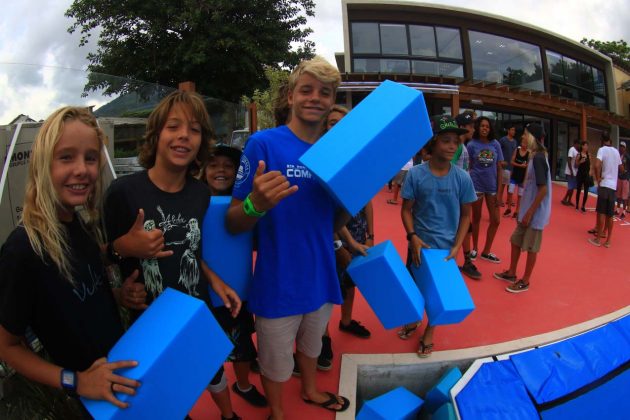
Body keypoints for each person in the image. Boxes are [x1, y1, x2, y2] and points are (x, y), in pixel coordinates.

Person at [103, 91, 243, 420]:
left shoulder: (200, 194)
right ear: (156, 135)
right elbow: (102, 258)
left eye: (194, 129)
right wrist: (121, 284)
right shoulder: (123, 193)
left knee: (211, 367)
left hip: (195, 309)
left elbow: (190, 250)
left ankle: (228, 415)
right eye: (173, 126)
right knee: (164, 393)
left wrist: (215, 279)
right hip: (148, 321)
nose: (184, 135)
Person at [226, 57, 350, 419]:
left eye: (325, 92)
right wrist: (255, 203)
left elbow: (331, 222)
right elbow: (234, 222)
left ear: (332, 100)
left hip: (322, 274)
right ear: (291, 96)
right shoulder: (262, 144)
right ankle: (278, 412)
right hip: (277, 279)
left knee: (312, 345)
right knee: (276, 357)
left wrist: (353, 196)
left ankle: (310, 390)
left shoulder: (334, 154)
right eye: (306, 89)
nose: (315, 98)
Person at [0, 107, 140, 412]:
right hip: (90, 401)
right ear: (42, 164)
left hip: (122, 378)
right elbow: (7, 346)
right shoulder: (23, 248)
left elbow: (77, 296)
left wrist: (118, 295)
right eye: (66, 157)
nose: (82, 169)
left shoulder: (77, 224)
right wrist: (75, 381)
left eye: (90, 158)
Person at [400, 115, 476, 356]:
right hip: (419, 245)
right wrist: (412, 236)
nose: (452, 146)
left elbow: (466, 216)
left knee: (438, 293)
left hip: (446, 250)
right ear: (433, 143)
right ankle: (414, 319)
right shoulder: (416, 174)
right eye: (446, 141)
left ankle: (429, 332)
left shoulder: (462, 178)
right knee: (413, 285)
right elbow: (406, 210)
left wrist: (458, 245)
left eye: (455, 141)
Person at [199, 145, 268, 408]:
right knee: (208, 353)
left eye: (229, 166)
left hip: (238, 291)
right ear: (203, 170)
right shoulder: (193, 201)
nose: (221, 171)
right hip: (203, 291)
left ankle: (243, 384)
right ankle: (224, 406)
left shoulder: (245, 202)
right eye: (213, 164)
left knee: (243, 345)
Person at [494, 123, 551, 293]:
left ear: (532, 137)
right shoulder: (534, 157)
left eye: (525, 134)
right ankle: (512, 272)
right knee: (515, 240)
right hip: (527, 211)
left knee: (532, 247)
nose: (522, 137)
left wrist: (530, 212)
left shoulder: (540, 158)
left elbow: (543, 189)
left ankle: (525, 280)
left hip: (534, 213)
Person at [467, 116, 504, 263]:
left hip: (492, 188)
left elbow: (500, 169)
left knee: (496, 220)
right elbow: (468, 166)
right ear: (478, 127)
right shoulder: (471, 145)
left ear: (490, 129)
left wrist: (500, 192)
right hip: (477, 186)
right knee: (476, 218)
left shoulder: (495, 144)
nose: (485, 128)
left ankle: (486, 251)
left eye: (487, 126)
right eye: (482, 126)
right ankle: (474, 248)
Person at [454, 112, 481, 280]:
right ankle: (456, 262)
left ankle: (466, 260)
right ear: (462, 127)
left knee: (466, 228)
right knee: (458, 229)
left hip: (461, 194)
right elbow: (450, 170)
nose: (473, 129)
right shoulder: (457, 146)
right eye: (470, 126)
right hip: (455, 196)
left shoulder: (463, 146)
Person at [587, 132, 623, 248]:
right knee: (610, 214)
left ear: (602, 140)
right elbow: (621, 168)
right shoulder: (616, 152)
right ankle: (608, 241)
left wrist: (598, 178)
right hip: (613, 187)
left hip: (604, 184)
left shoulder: (602, 150)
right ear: (610, 140)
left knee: (601, 212)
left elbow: (597, 165)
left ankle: (598, 239)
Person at [505, 134, 529, 219]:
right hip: (514, 175)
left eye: (526, 143)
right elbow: (511, 161)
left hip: (522, 177)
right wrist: (520, 165)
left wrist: (525, 179)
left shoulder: (528, 153)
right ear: (521, 143)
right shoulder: (517, 150)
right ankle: (508, 209)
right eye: (523, 142)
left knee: (520, 195)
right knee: (510, 191)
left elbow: (527, 167)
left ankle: (517, 211)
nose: (524, 144)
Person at [498, 124, 518, 207]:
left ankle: (509, 200)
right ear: (508, 130)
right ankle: (499, 200)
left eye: (514, 130)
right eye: (512, 130)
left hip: (512, 166)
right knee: (502, 184)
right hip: (504, 166)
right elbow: (498, 151)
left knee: (510, 185)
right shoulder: (503, 140)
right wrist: (501, 161)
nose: (513, 132)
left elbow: (515, 153)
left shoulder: (515, 142)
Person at [574, 141, 591, 213]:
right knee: (578, 190)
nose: (586, 147)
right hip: (580, 174)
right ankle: (577, 205)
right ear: (582, 146)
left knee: (586, 191)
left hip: (586, 174)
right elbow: (575, 165)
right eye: (585, 146)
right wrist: (580, 161)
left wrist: (590, 173)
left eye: (587, 146)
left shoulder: (589, 155)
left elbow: (590, 165)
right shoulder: (579, 155)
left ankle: (583, 206)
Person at [561, 139, 579, 206]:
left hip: (575, 171)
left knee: (573, 187)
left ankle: (569, 200)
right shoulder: (572, 149)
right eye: (578, 144)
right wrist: (571, 170)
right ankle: (565, 199)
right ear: (575, 144)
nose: (579, 146)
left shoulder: (577, 151)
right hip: (570, 171)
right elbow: (569, 160)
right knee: (570, 187)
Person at [614, 141, 629, 219]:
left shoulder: (627, 157)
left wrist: (628, 175)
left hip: (625, 179)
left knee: (624, 197)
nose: (621, 148)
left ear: (625, 148)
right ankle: (617, 210)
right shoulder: (618, 156)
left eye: (622, 147)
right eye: (620, 146)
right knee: (618, 195)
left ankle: (623, 212)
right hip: (619, 178)